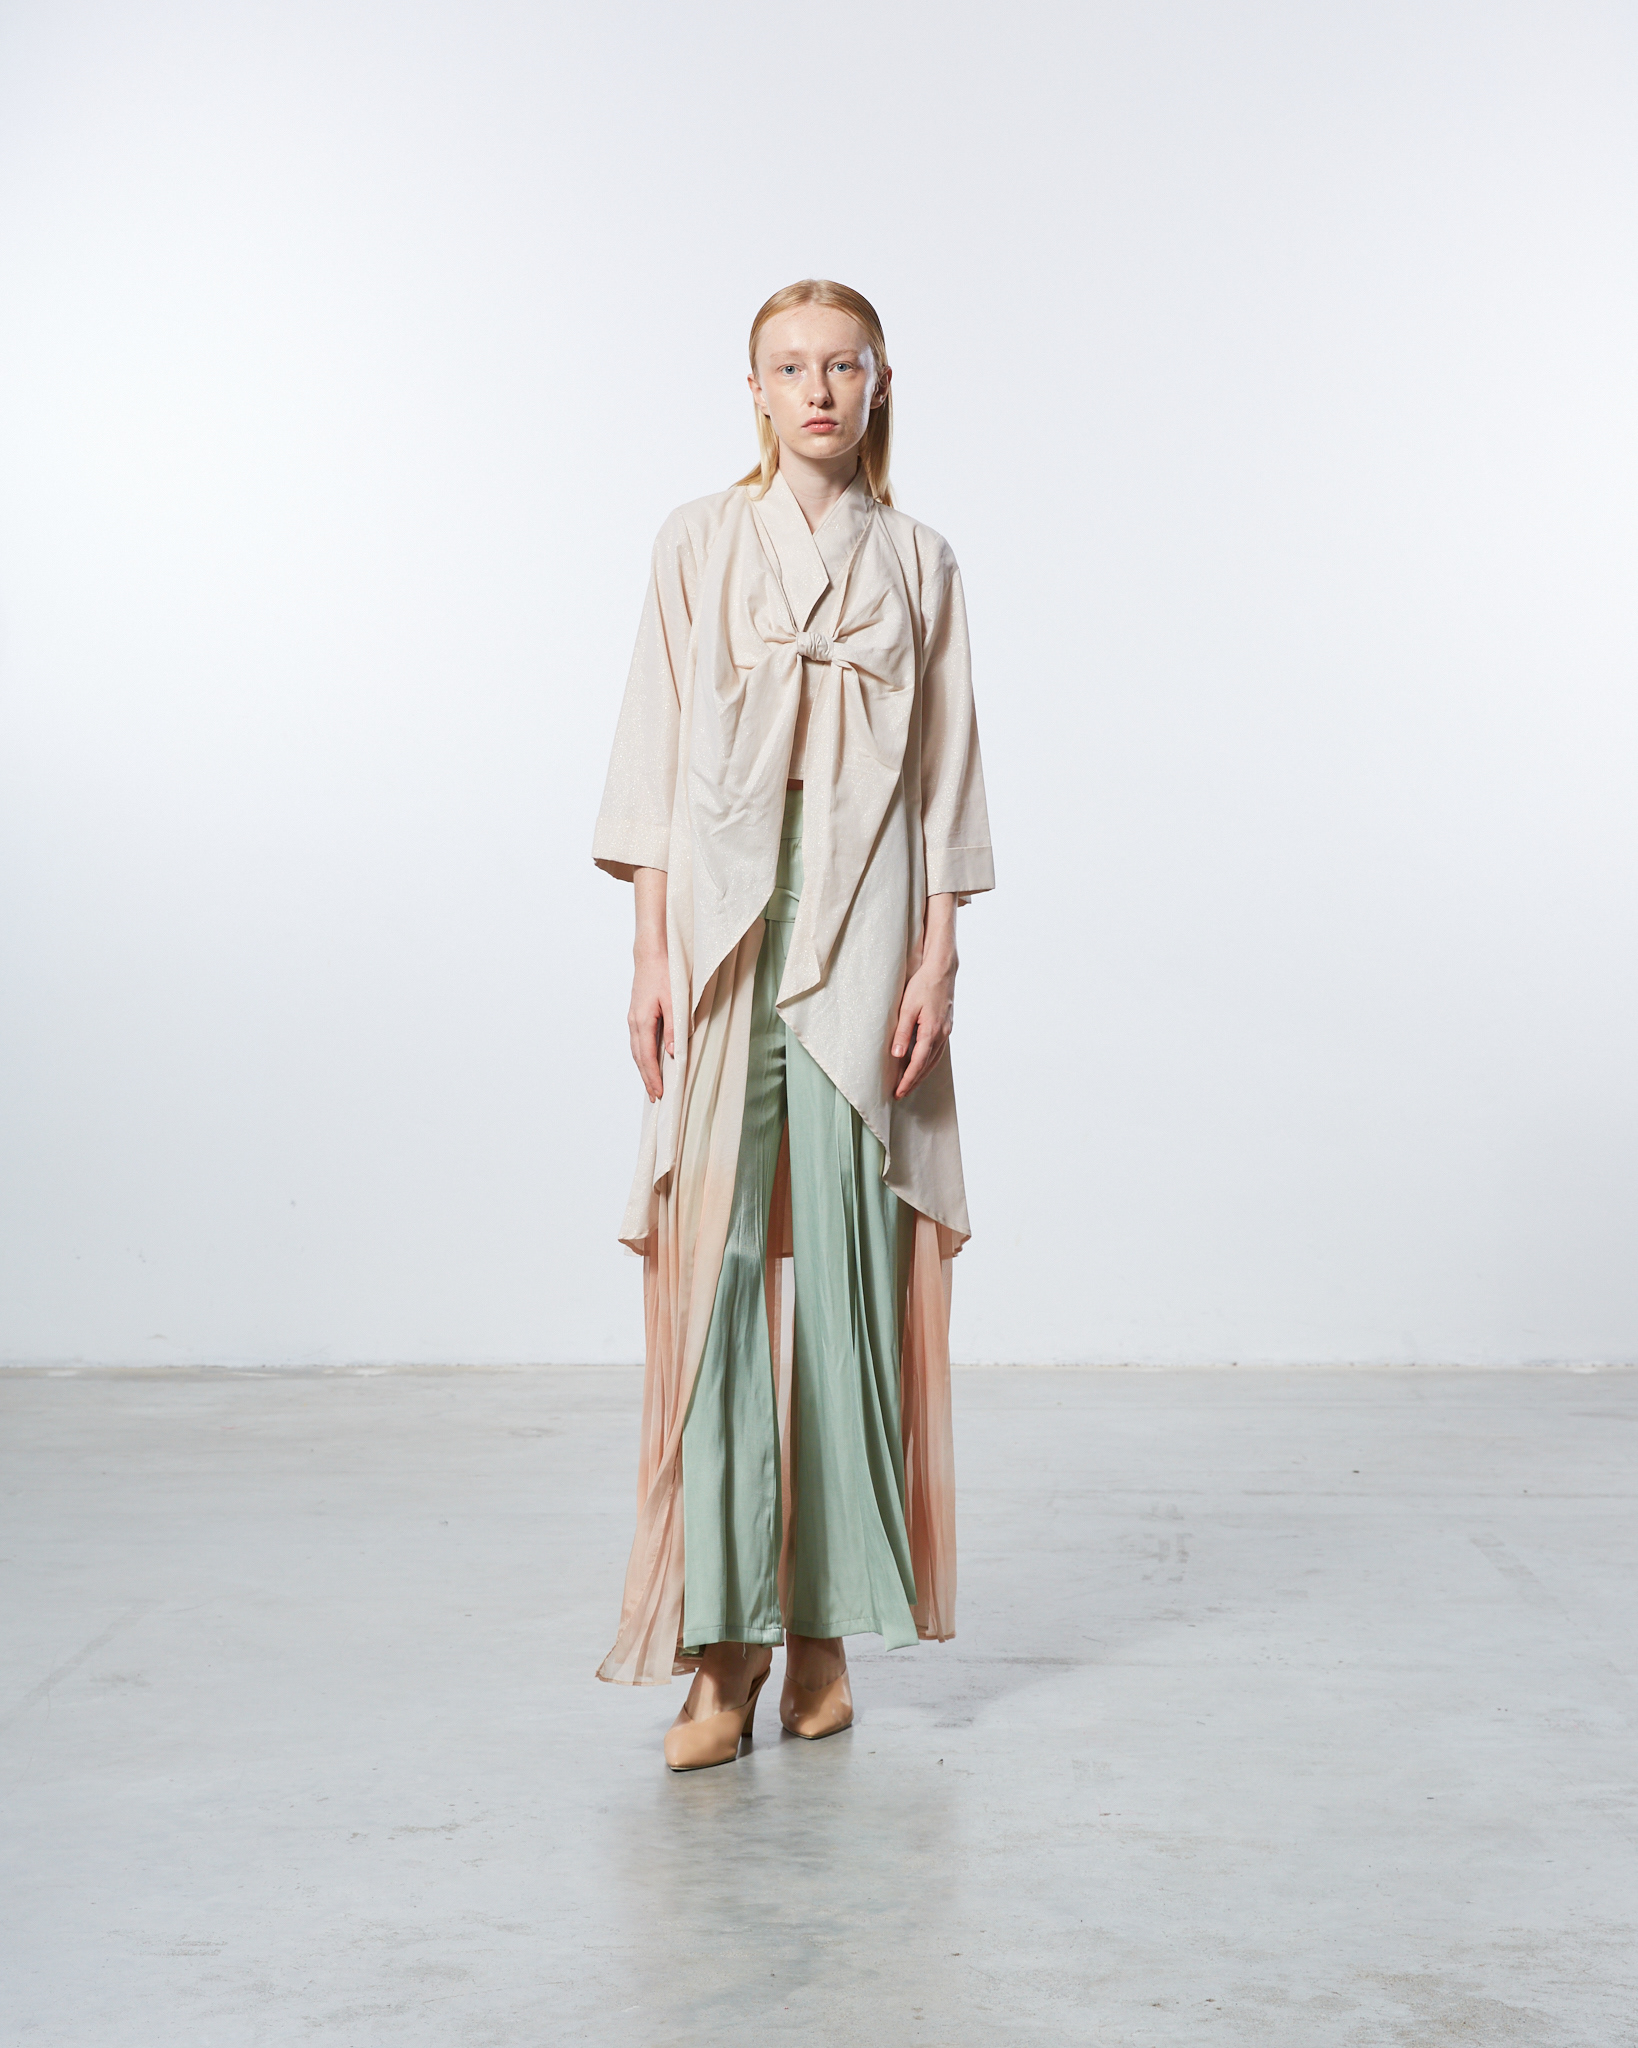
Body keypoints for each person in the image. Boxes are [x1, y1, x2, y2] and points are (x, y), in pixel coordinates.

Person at [591, 279, 994, 1770]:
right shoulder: (698, 543)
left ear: (879, 383)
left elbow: (947, 774)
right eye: (788, 367)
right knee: (712, 1282)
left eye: (842, 365)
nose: (816, 389)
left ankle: (821, 1628)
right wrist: (648, 951)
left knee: (845, 1278)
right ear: (753, 388)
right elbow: (652, 750)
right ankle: (722, 1649)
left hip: (866, 926)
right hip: (722, 925)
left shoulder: (920, 559)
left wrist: (937, 959)